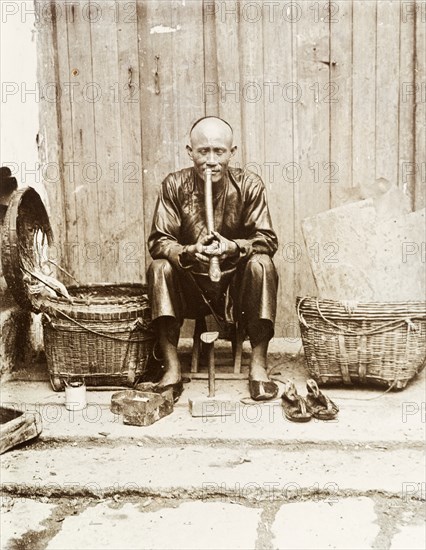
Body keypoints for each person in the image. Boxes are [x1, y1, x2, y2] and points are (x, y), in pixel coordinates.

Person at [147, 116, 279, 402]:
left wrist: (233, 247)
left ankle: (258, 367)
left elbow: (267, 240)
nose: (211, 160)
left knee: (262, 264)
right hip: (191, 286)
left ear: (232, 151)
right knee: (159, 268)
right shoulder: (173, 185)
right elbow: (159, 241)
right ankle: (171, 370)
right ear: (189, 151)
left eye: (219, 151)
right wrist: (190, 250)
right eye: (203, 151)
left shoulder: (250, 185)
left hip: (235, 289)